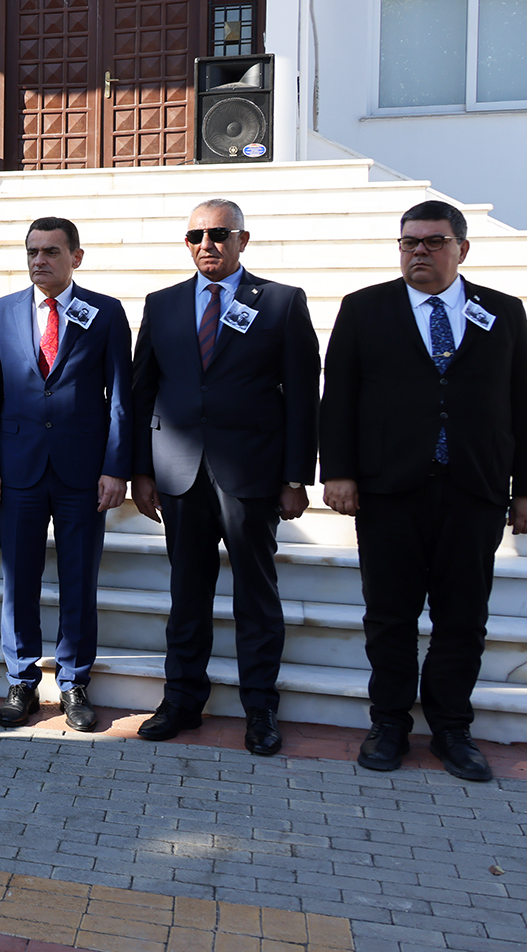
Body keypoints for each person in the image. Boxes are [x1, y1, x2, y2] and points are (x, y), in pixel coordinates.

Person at [321, 199, 527, 782]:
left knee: (462, 617)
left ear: (462, 249)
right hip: (389, 491)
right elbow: (338, 398)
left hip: (474, 489)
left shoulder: (502, 311)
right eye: (409, 242)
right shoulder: (364, 308)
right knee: (389, 615)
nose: (419, 251)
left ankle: (451, 728)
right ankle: (389, 723)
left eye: (433, 242)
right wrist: (338, 472)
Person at [131, 200, 319, 756]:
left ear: (243, 239)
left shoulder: (281, 301)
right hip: (179, 472)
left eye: (218, 234)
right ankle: (181, 700)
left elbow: (302, 392)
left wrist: (296, 476)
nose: (206, 244)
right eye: (196, 236)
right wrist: (141, 470)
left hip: (253, 472)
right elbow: (143, 391)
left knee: (256, 595)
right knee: (186, 593)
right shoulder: (162, 303)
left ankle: (259, 707)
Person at [0, 217, 131, 733]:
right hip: (18, 469)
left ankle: (73, 682)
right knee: (19, 579)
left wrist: (115, 468)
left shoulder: (106, 312)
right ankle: (21, 680)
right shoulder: (2, 312)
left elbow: (120, 399)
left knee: (78, 579)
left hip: (82, 472)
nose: (39, 260)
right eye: (32, 252)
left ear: (76, 258)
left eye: (51, 252)